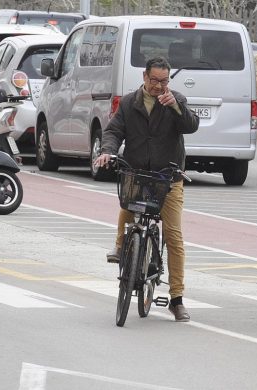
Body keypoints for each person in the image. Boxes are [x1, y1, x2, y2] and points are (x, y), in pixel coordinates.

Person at [94, 57, 199, 322]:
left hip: (168, 177)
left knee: (174, 237)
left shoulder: (176, 100)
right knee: (126, 203)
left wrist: (176, 107)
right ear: (144, 77)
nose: (159, 86)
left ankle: (177, 299)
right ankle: (120, 246)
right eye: (154, 81)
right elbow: (114, 131)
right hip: (137, 173)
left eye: (164, 81)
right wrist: (107, 152)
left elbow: (191, 125)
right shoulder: (130, 103)